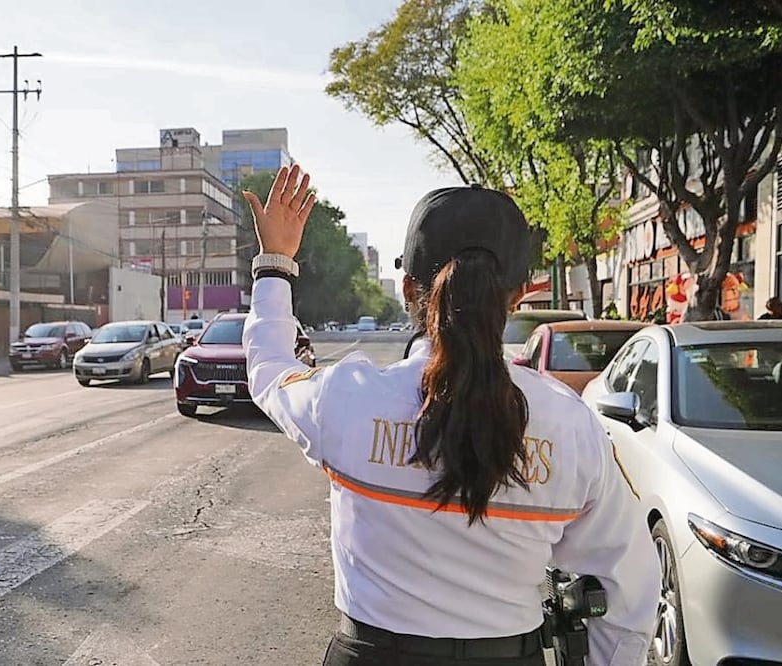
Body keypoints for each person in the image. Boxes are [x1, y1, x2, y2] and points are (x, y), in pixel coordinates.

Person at [241, 166, 659, 666]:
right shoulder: (573, 426)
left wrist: (275, 264)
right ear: (519, 295)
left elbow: (269, 369)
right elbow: (631, 589)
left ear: (407, 289)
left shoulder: (348, 399)